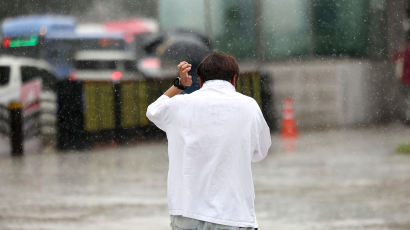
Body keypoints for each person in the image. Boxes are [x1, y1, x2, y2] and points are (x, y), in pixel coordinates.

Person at [146, 51, 271, 229]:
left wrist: (179, 86)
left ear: (200, 80)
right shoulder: (249, 106)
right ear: (234, 79)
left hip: (186, 212)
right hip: (232, 214)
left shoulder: (179, 105)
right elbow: (260, 152)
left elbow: (153, 111)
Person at [393, 42, 410, 123]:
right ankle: (407, 117)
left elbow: (395, 59)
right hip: (406, 79)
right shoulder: (405, 51)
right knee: (407, 99)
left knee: (406, 99)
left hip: (405, 79)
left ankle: (407, 118)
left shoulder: (404, 51)